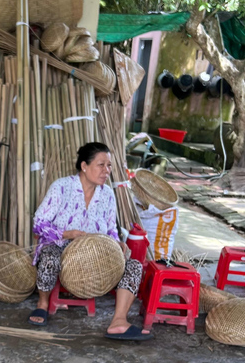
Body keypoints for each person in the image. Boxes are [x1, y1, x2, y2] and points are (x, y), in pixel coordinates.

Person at [27, 142, 152, 341]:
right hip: (62, 246)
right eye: (101, 165)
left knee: (134, 266)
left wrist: (117, 242)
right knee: (49, 257)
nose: (107, 171)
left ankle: (118, 321)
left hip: (96, 253)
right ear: (84, 166)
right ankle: (42, 304)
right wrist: (67, 234)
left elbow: (111, 228)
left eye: (109, 166)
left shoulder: (107, 194)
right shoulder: (62, 187)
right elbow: (38, 224)